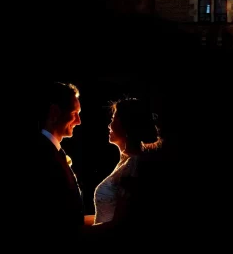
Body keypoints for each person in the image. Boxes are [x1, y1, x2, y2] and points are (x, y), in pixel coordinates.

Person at [85, 96, 163, 236]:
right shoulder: (125, 162)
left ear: (125, 125)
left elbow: (120, 225)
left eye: (113, 119)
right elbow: (105, 216)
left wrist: (78, 233)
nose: (109, 125)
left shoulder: (134, 167)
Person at [33, 81, 85, 245]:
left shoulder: (53, 152)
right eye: (74, 113)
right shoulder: (42, 156)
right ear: (55, 112)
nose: (78, 121)